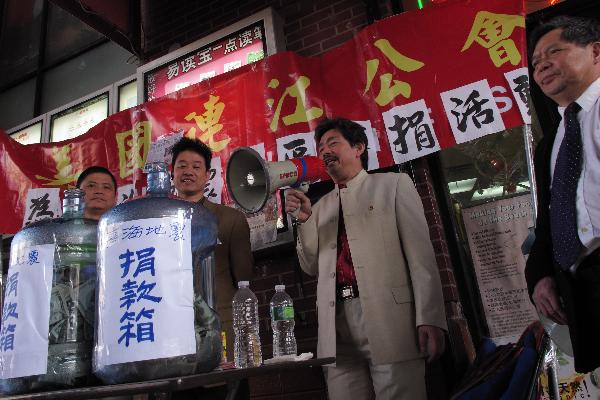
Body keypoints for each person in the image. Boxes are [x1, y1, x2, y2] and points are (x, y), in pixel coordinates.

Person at [285, 118, 447, 400]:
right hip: (336, 326)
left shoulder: (393, 185)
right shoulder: (319, 208)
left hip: (391, 320)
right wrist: (304, 220)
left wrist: (430, 316)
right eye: (320, 146)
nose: (324, 151)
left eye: (332, 142)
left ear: (358, 147)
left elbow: (421, 256)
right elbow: (310, 266)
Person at [526, 15, 600, 373]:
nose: (542, 65)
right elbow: (549, 221)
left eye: (554, 51)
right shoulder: (550, 145)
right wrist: (541, 275)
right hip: (583, 288)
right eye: (537, 61)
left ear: (596, 52)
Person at [170, 137, 253, 398]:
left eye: (196, 166)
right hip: (172, 332)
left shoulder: (230, 219)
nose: (188, 172)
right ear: (172, 174)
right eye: (182, 166)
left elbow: (243, 279)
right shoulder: (158, 222)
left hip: (220, 331)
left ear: (207, 175)